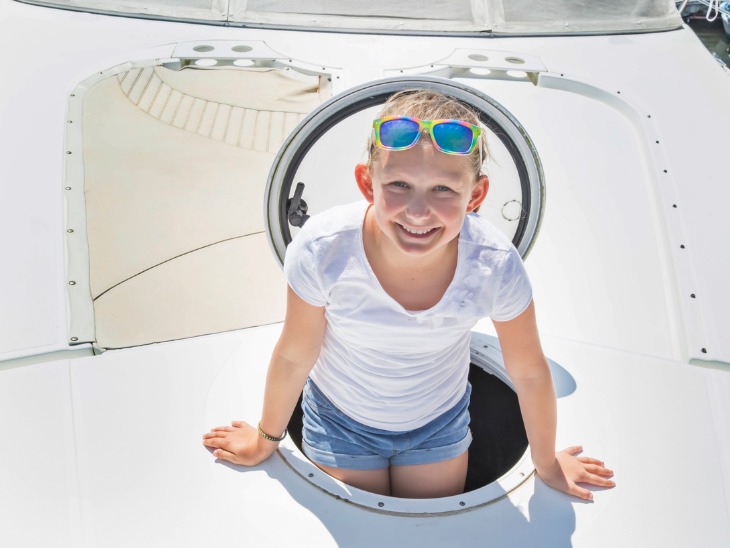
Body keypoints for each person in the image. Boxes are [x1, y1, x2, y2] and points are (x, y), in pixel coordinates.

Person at [203, 89, 615, 500]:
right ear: (368, 183)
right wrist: (265, 439)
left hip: (438, 425)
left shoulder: (494, 265)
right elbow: (295, 355)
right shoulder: (324, 249)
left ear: (476, 196)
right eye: (399, 184)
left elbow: (527, 370)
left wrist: (546, 463)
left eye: (443, 190)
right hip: (339, 421)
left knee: (425, 529)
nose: (418, 212)